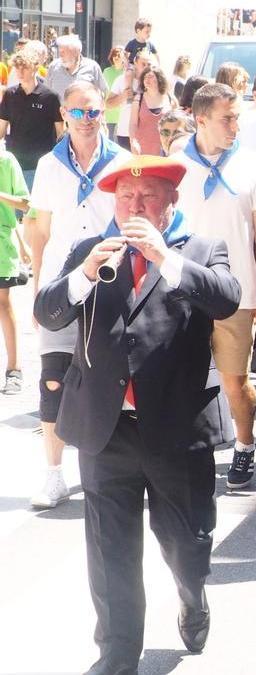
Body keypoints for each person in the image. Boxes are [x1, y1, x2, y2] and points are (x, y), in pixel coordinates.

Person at [32, 154, 241, 675]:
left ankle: (192, 597)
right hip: (107, 429)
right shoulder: (91, 251)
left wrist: (165, 258)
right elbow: (48, 310)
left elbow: (226, 300)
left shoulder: (200, 249)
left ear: (171, 203)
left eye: (147, 196)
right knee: (110, 554)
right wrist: (82, 274)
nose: (135, 206)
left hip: (175, 428)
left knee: (185, 544)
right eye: (126, 198)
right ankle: (118, 655)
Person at [26, 81, 130, 509]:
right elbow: (40, 231)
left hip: (107, 284)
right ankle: (53, 474)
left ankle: (106, 469)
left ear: (103, 111)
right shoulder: (50, 165)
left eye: (93, 112)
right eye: (78, 113)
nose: (87, 121)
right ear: (64, 115)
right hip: (61, 284)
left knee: (105, 378)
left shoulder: (122, 161)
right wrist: (37, 289)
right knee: (53, 379)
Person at [173, 83, 256, 490]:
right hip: (182, 290)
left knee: (234, 380)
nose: (236, 125)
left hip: (235, 291)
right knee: (181, 376)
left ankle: (245, 445)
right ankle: (186, 448)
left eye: (238, 117)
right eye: (227, 118)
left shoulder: (252, 165)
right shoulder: (177, 161)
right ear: (200, 120)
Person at [0, 50, 64, 187]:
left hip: (41, 165)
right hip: (15, 164)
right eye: (17, 68)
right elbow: (1, 129)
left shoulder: (50, 97)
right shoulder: (10, 95)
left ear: (35, 67)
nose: (20, 72)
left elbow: (61, 133)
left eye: (25, 68)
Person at [0, 144, 26, 395]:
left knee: (3, 303)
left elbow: (26, 203)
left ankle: (14, 369)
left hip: (1, 246)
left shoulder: (6, 160)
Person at [44, 34, 107, 101]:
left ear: (76, 52)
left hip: (83, 111)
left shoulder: (92, 67)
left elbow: (103, 92)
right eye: (60, 52)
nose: (60, 55)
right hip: (57, 111)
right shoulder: (53, 67)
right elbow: (46, 92)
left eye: (63, 52)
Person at [129, 66, 173, 156]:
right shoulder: (139, 98)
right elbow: (133, 124)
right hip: (142, 150)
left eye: (150, 76)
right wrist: (132, 142)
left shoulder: (169, 98)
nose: (146, 79)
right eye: (145, 77)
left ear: (159, 79)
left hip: (164, 150)